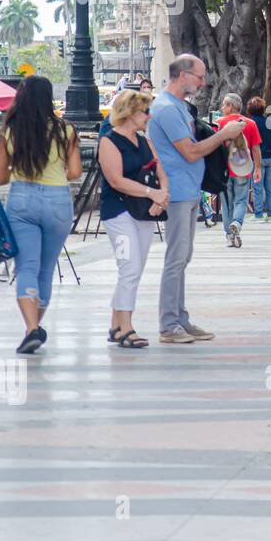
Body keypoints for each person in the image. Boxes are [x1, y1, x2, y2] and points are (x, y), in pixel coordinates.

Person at [148, 54, 246, 344]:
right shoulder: (165, 108)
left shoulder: (179, 107)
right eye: (199, 77)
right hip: (177, 191)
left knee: (183, 256)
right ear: (182, 75)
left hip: (189, 189)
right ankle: (168, 324)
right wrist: (223, 134)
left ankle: (180, 318)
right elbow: (189, 151)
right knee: (176, 257)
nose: (203, 83)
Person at [0, 75, 83, 355]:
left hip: (22, 199)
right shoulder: (66, 130)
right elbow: (75, 173)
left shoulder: (10, 131)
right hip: (57, 200)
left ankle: (32, 329)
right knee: (46, 268)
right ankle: (33, 328)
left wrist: (17, 168)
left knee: (27, 267)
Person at [98, 89, 170, 349]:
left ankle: (116, 324)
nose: (149, 116)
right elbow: (116, 180)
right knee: (129, 266)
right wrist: (152, 193)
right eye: (145, 111)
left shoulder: (144, 141)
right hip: (118, 211)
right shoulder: (109, 141)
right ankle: (126, 327)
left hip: (144, 211)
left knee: (135, 269)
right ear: (130, 112)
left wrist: (162, 195)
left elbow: (160, 168)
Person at [216, 93, 262, 248]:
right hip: (243, 168)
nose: (222, 108)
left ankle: (229, 236)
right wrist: (257, 167)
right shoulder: (249, 123)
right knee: (241, 200)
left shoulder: (219, 123)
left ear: (230, 106)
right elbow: (255, 148)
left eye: (224, 105)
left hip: (223, 169)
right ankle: (237, 223)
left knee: (226, 203)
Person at [246, 95, 271, 223]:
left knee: (257, 187)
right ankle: (270, 214)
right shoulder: (270, 122)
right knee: (270, 188)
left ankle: (258, 214)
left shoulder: (250, 123)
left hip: (257, 159)